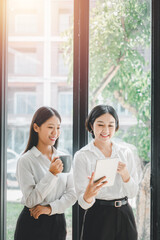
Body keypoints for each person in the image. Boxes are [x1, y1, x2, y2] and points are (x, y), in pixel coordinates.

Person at [73, 104, 138, 240]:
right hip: (98, 214)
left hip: (125, 215)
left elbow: (132, 193)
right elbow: (83, 204)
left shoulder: (126, 153)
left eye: (111, 125)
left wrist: (126, 175)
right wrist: (88, 194)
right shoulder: (82, 155)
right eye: (100, 124)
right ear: (91, 125)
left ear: (116, 126)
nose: (106, 130)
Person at [14, 106, 76, 240]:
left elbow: (72, 194)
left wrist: (50, 208)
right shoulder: (26, 160)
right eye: (50, 127)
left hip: (58, 223)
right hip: (32, 223)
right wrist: (51, 174)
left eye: (58, 127)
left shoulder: (64, 157)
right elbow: (31, 201)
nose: (55, 132)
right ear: (36, 128)